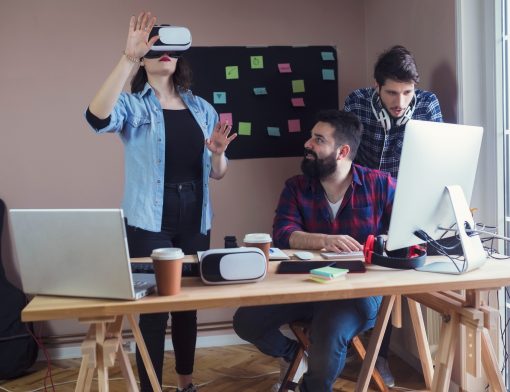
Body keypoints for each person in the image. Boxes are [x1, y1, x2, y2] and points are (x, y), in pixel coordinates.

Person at [85, 11, 236, 392]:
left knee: (187, 308)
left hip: (196, 218)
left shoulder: (202, 108)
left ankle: (186, 383)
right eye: (155, 48)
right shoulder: (134, 107)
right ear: (145, 58)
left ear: (180, 56)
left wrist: (218, 154)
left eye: (171, 48)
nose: (163, 53)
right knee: (153, 311)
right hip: (148, 220)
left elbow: (217, 172)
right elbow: (95, 116)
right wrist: (128, 56)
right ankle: (152, 386)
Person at [233, 110, 396, 392]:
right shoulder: (296, 187)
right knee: (246, 321)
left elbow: (407, 233)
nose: (308, 144)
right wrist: (324, 240)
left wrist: (382, 243)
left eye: (318, 140)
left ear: (342, 151)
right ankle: (296, 354)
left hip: (357, 293)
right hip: (305, 285)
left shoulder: (380, 185)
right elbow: (283, 234)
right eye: (311, 137)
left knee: (329, 333)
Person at [344, 45, 443, 386]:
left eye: (406, 92)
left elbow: (436, 159)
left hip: (408, 204)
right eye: (391, 92)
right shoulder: (357, 102)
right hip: (366, 200)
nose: (399, 101)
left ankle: (379, 358)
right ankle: (343, 347)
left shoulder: (427, 105)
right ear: (377, 86)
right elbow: (347, 159)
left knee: (388, 285)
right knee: (357, 275)